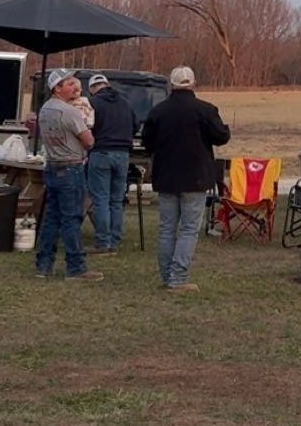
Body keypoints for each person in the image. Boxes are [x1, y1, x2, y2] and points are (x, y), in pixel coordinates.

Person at [141, 66, 230, 292]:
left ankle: (166, 276)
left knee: (167, 229)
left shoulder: (158, 111)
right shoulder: (205, 110)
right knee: (189, 229)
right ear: (193, 83)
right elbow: (221, 137)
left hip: (166, 177)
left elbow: (147, 143)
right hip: (196, 178)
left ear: (171, 84)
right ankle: (178, 278)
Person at [34, 69, 103, 282]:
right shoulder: (69, 112)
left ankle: (43, 266)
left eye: (75, 83)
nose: (75, 87)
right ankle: (75, 268)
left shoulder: (45, 110)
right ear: (57, 88)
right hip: (71, 168)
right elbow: (88, 140)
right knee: (72, 218)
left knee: (51, 218)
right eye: (69, 83)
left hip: (52, 167)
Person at [82, 73, 138, 255]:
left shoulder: (93, 104)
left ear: (92, 89)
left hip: (101, 152)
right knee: (116, 200)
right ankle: (114, 240)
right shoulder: (126, 103)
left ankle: (103, 243)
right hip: (123, 154)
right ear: (107, 85)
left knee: (100, 200)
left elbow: (86, 127)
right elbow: (135, 126)